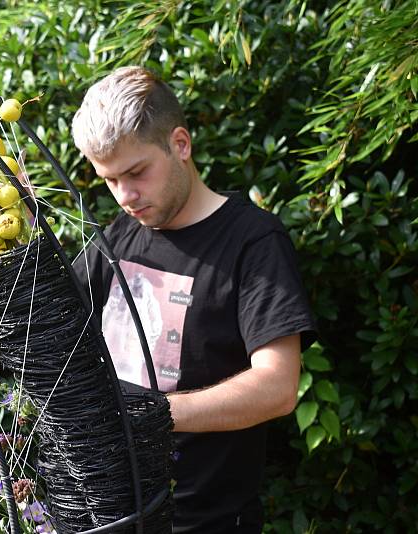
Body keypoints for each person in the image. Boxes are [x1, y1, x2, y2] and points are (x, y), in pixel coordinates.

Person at [71, 66, 317, 533]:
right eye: (108, 180)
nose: (125, 195)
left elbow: (278, 388)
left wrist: (148, 414)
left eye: (136, 172)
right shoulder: (118, 237)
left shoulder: (253, 241)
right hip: (111, 513)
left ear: (180, 144)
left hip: (209, 522)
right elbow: (56, 331)